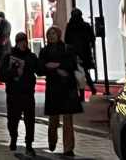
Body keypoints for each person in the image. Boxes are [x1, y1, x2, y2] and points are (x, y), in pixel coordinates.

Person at [40, 25, 83, 157]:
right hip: (53, 88)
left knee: (68, 119)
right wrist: (54, 68)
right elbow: (40, 68)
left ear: (58, 34)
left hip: (67, 88)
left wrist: (56, 65)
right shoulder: (44, 51)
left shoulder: (67, 48)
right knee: (53, 119)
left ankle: (68, 148)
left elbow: (72, 65)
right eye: (49, 33)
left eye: (53, 33)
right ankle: (52, 141)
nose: (51, 35)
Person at [1, 32, 39, 156]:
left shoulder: (31, 56)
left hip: (27, 92)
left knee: (29, 120)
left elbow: (38, 70)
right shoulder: (8, 57)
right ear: (17, 43)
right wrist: (14, 71)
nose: (23, 44)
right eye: (20, 42)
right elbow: (3, 75)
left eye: (24, 42)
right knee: (12, 119)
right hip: (13, 93)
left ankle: (29, 144)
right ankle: (14, 137)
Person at [64, 8, 97, 96]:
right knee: (85, 72)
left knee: (78, 73)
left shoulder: (70, 26)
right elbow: (92, 38)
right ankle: (91, 89)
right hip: (84, 52)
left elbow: (66, 40)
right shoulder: (85, 25)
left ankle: (82, 93)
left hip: (75, 52)